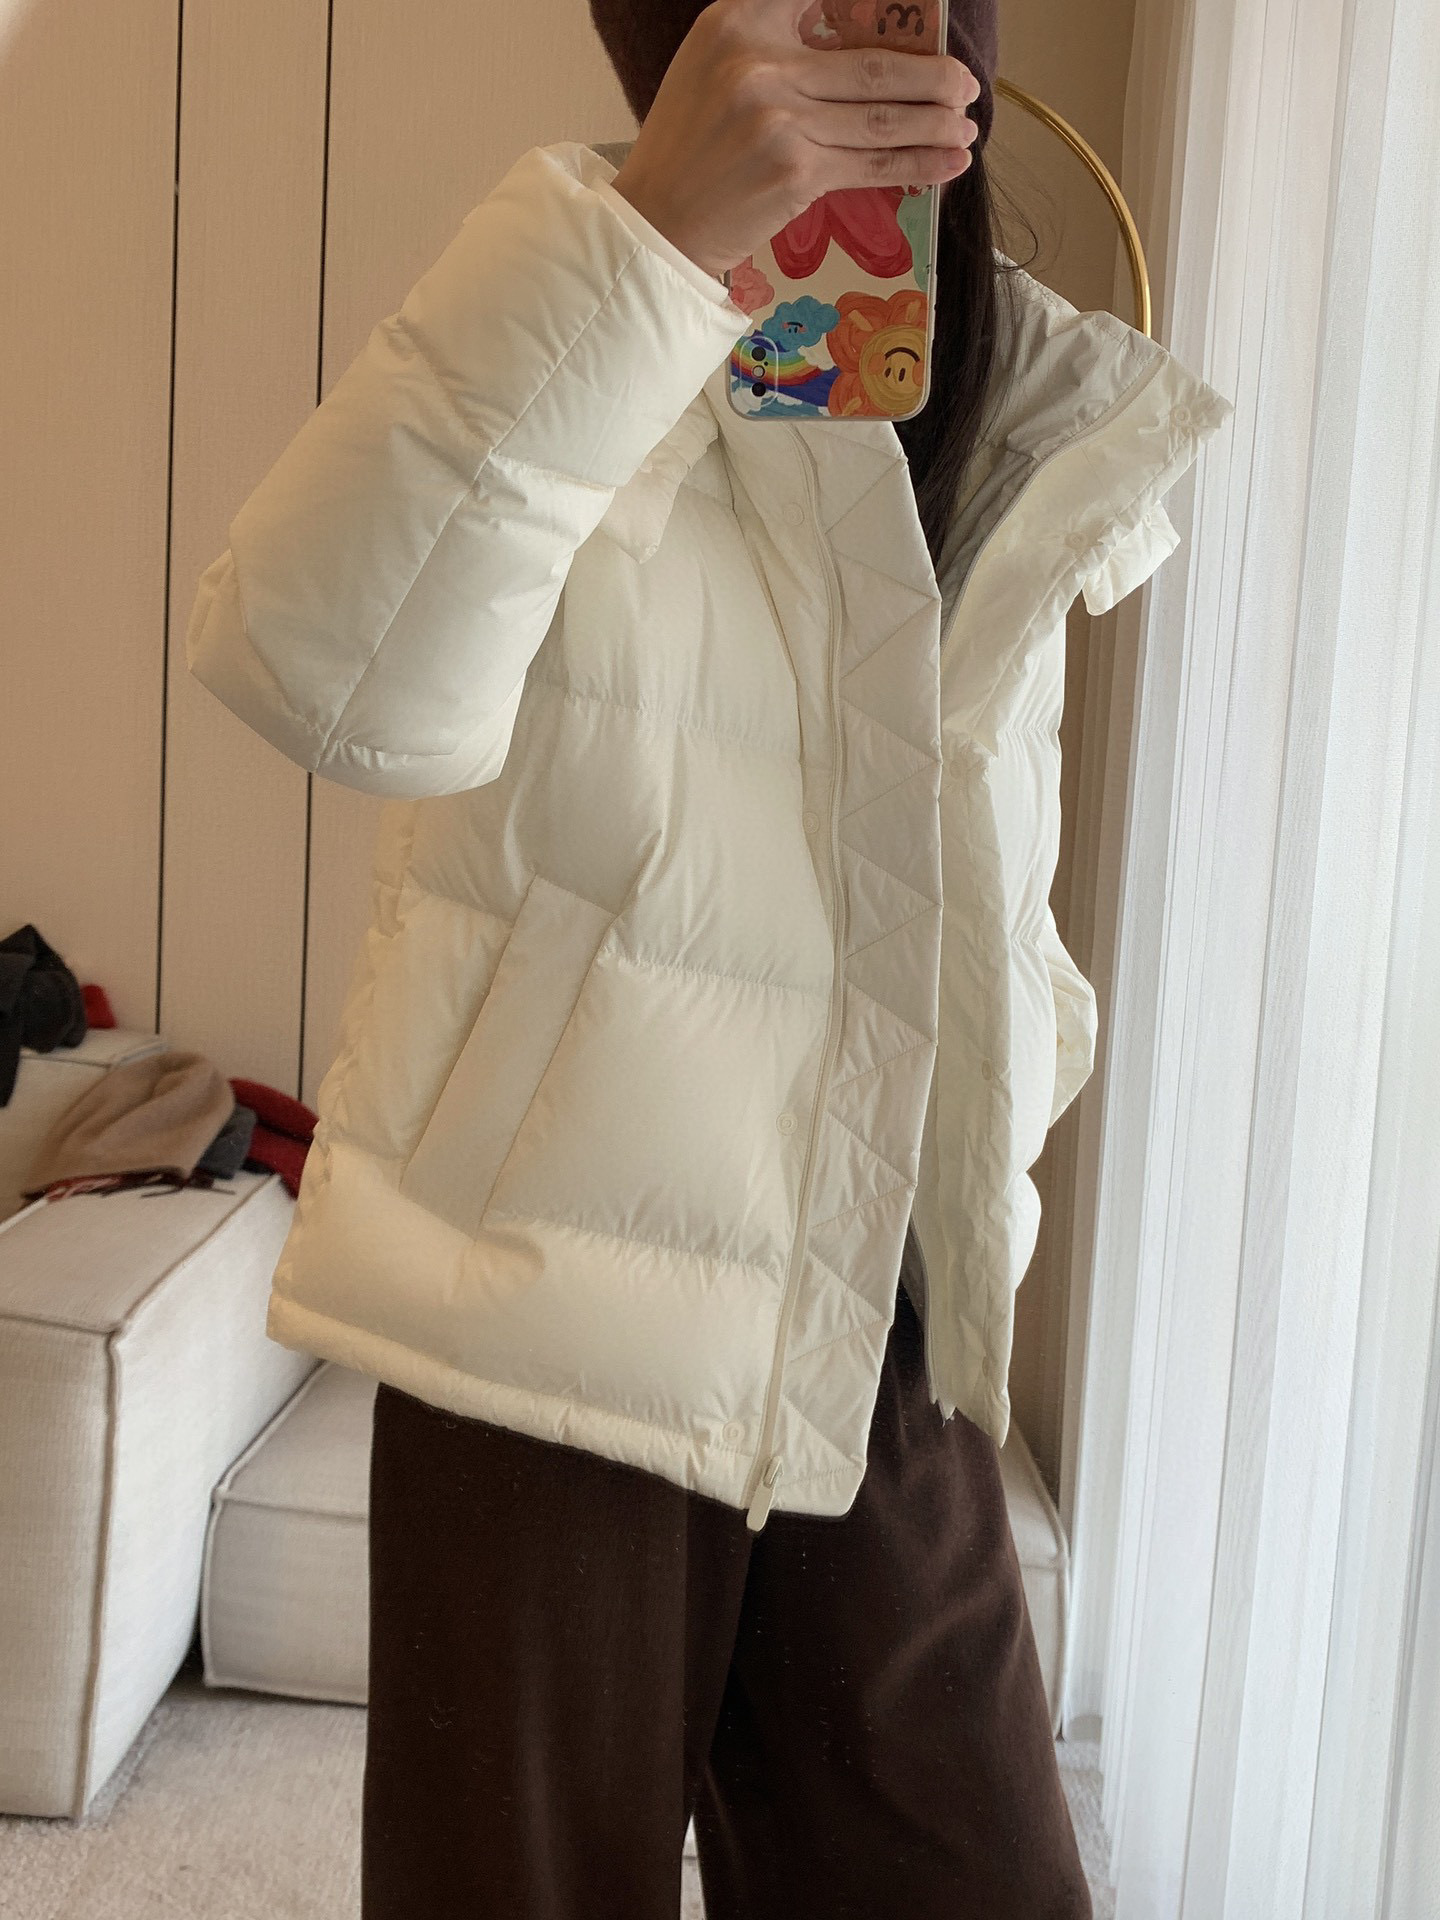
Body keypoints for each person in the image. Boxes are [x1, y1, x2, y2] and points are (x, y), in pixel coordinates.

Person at [184, 0, 1114, 1912]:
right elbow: (324, 679)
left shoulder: (1017, 376)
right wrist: (649, 241)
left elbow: (981, 886)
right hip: (550, 1308)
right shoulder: (580, 279)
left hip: (876, 1310)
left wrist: (990, 1173)